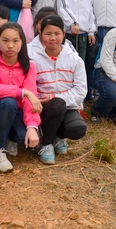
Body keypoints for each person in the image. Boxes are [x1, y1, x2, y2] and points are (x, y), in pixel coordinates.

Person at [0, 23, 42, 172]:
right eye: (5, 40)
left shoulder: (29, 66)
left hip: (18, 112)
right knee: (8, 102)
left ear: (22, 42)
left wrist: (32, 126)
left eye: (15, 41)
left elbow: (31, 99)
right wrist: (24, 92)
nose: (10, 45)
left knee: (26, 140)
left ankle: (11, 137)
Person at [31, 15, 88, 165]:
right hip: (43, 107)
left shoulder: (75, 60)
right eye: (48, 34)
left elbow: (81, 91)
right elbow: (30, 87)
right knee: (56, 105)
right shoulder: (34, 60)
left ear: (63, 34)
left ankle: (57, 137)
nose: (53, 38)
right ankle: (47, 144)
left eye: (57, 33)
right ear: (41, 34)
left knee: (77, 129)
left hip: (67, 107)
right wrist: (41, 100)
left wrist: (54, 96)